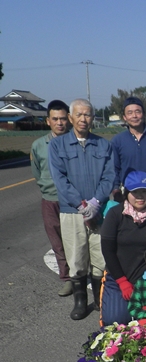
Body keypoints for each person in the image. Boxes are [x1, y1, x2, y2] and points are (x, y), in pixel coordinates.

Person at [48, 98, 114, 320]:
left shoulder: (103, 145)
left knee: (100, 256)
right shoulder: (58, 146)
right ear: (70, 118)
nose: (83, 119)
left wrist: (96, 202)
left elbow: (109, 176)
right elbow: (60, 179)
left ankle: (99, 298)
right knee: (77, 257)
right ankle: (80, 302)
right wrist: (80, 204)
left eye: (87, 115)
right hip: (72, 211)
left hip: (99, 210)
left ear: (92, 118)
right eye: (79, 115)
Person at [100, 171, 146, 325]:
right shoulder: (115, 214)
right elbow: (107, 250)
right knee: (116, 321)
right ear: (127, 193)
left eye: (144, 191)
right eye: (135, 192)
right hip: (119, 277)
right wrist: (122, 281)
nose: (140, 196)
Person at [30, 99, 72, 296]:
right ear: (48, 121)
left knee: (76, 239)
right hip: (50, 199)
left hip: (72, 199)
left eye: (63, 119)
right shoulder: (38, 146)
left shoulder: (75, 142)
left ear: (69, 119)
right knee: (57, 240)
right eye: (55, 119)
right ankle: (67, 278)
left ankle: (82, 275)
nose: (60, 123)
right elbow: (37, 172)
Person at [111, 97, 146, 207]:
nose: (134, 116)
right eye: (130, 113)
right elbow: (114, 168)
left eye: (138, 112)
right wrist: (115, 189)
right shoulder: (117, 141)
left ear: (144, 114)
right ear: (124, 117)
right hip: (128, 193)